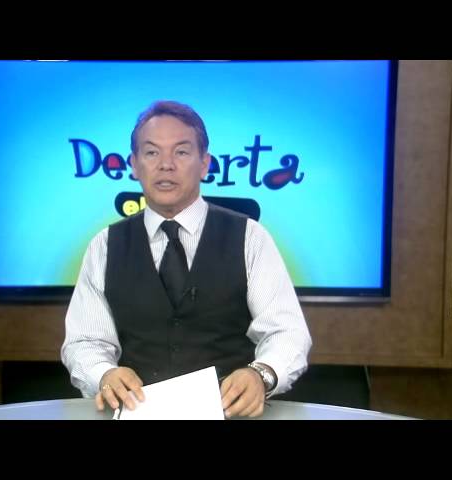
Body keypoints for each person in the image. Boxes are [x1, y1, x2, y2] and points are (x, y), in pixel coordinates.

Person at [61, 100, 312, 418]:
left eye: (181, 152)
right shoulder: (105, 246)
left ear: (205, 163)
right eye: (152, 152)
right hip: (138, 414)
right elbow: (84, 341)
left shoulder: (250, 237)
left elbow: (287, 331)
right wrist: (103, 374)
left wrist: (261, 374)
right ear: (134, 165)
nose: (166, 165)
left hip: (230, 414)